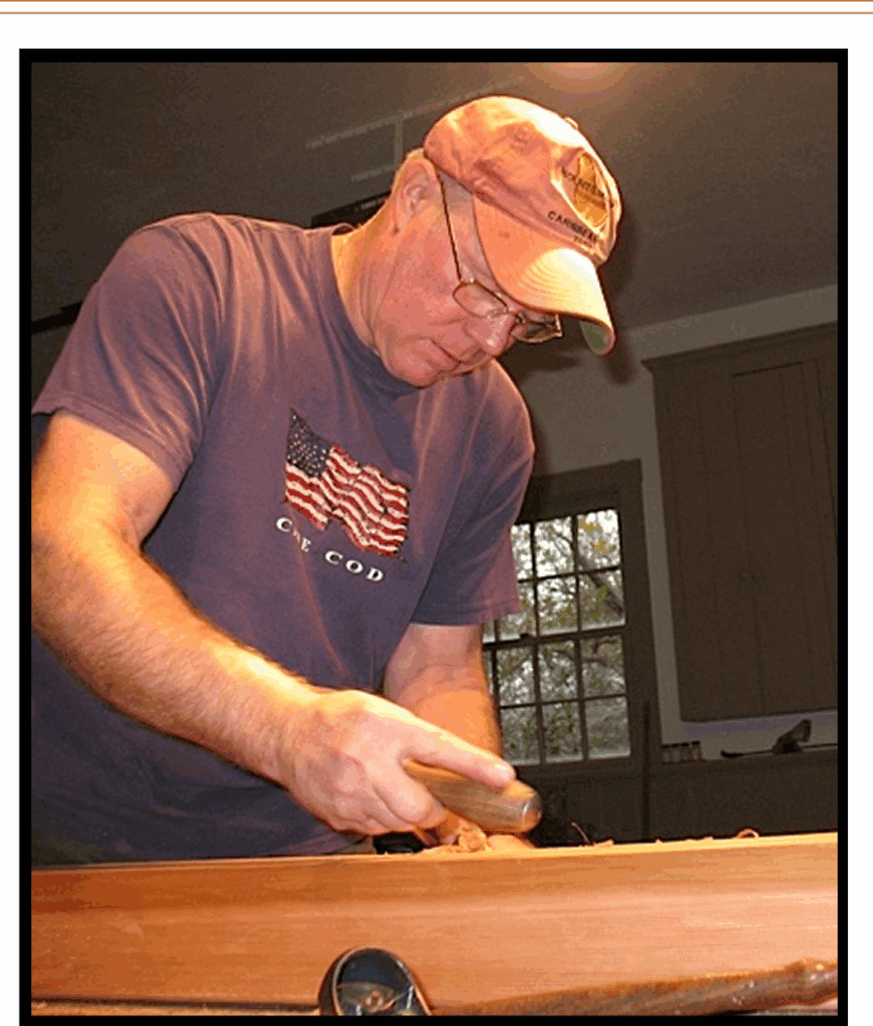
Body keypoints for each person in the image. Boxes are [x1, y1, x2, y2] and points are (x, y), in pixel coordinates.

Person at [30, 95, 622, 865]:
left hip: (303, 853)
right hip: (61, 831)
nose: (489, 339)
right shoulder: (199, 278)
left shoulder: (494, 428)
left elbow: (436, 666)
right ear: (414, 196)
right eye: (482, 288)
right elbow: (62, 548)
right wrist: (287, 730)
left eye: (524, 320)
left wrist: (470, 832)